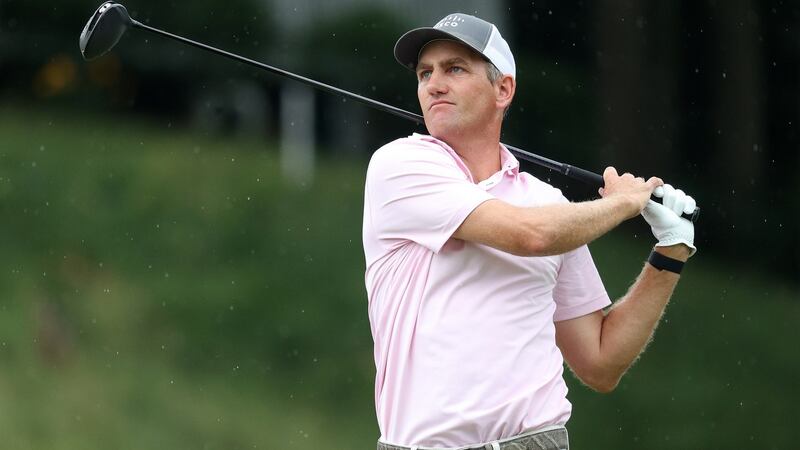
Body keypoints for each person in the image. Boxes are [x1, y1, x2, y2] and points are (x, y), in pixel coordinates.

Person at [362, 12, 696, 450]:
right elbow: (530, 236)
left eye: (454, 69)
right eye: (425, 73)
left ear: (503, 89)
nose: (434, 85)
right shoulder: (400, 166)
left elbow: (600, 363)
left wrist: (671, 250)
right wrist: (622, 203)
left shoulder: (549, 205)